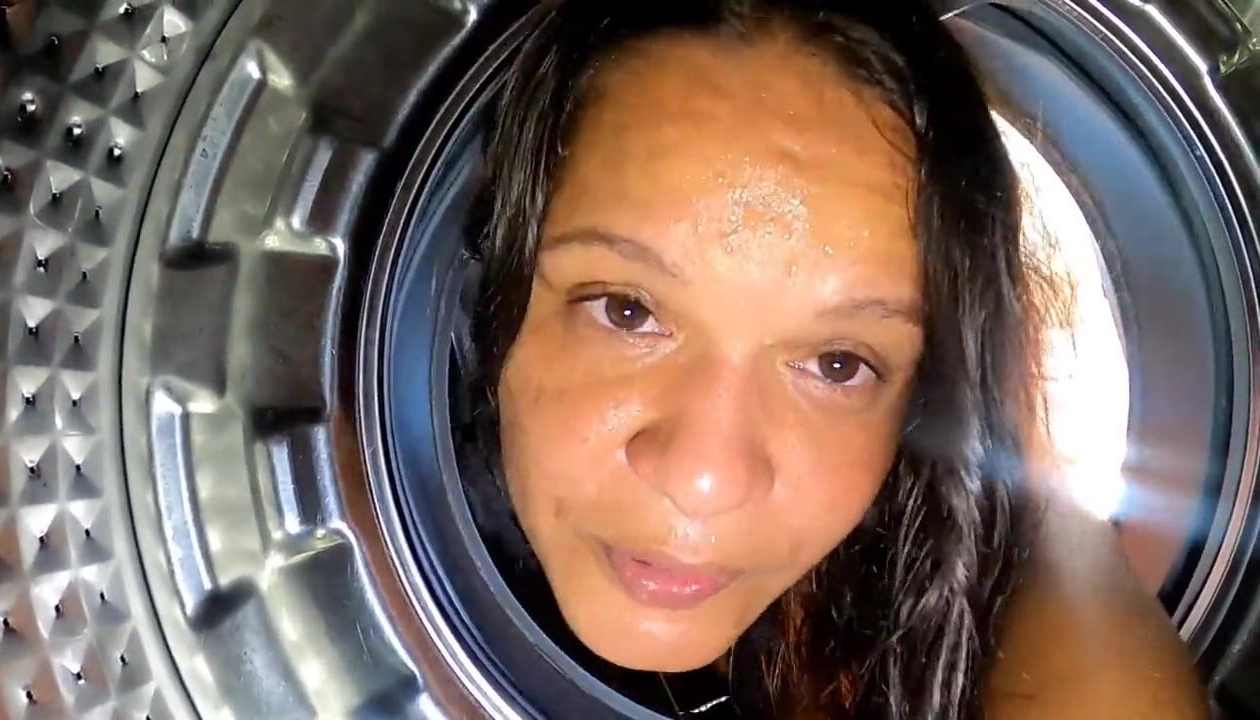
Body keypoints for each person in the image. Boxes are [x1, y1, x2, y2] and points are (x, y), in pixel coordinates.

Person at [458, 0, 1210, 717]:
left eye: (838, 364)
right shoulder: (388, 544)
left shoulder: (885, 588)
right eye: (628, 311)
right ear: (500, 283)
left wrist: (1028, 467)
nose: (705, 479)